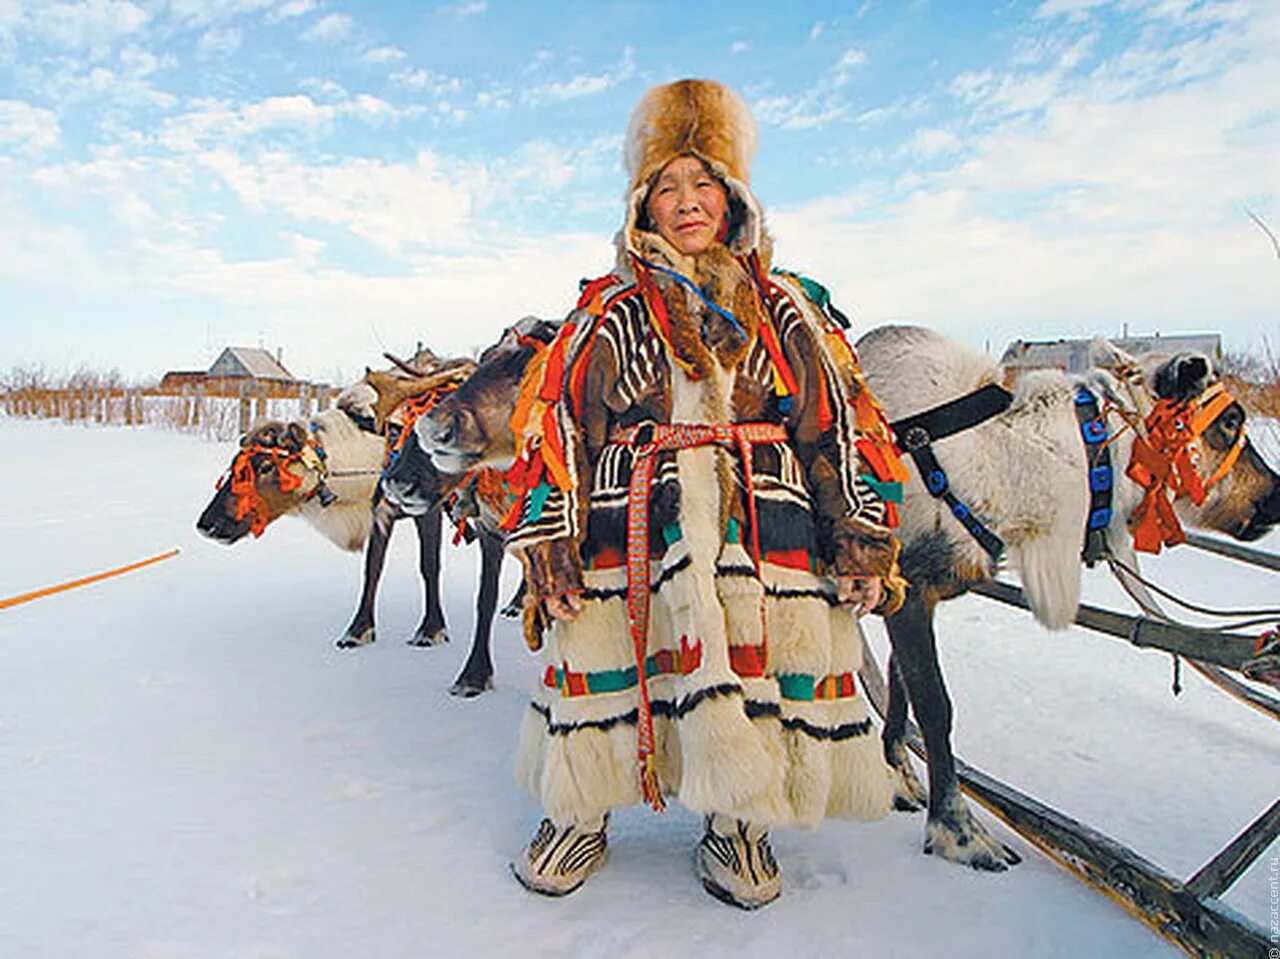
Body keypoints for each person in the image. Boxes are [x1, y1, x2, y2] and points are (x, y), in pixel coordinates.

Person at [504, 78, 909, 909]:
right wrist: (551, 541)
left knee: (753, 670)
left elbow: (840, 424)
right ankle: (578, 811)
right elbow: (556, 425)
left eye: (702, 183)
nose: (686, 201)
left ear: (732, 198)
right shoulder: (607, 310)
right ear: (641, 205)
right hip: (633, 518)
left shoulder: (786, 305)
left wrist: (862, 536)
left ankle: (739, 821)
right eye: (666, 186)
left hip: (761, 525)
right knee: (607, 664)